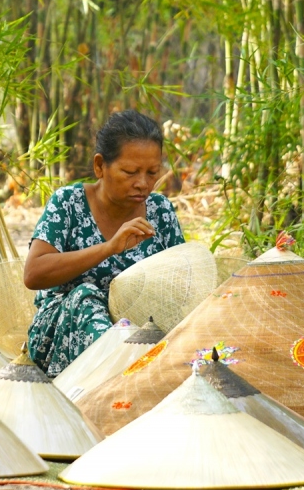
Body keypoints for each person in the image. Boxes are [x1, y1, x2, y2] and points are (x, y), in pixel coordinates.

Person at [23, 111, 185, 377]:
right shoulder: (68, 203)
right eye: (130, 172)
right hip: (63, 330)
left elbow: (182, 284)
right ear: (100, 166)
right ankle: (121, 378)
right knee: (85, 297)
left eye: (152, 172)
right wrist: (109, 247)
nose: (143, 183)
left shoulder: (160, 211)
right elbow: (34, 274)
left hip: (140, 331)